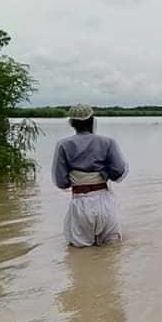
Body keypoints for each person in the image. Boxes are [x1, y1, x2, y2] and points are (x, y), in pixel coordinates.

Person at [52, 104, 128, 247]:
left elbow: (61, 182)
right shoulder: (107, 142)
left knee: (80, 254)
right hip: (105, 203)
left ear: (71, 123)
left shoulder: (63, 145)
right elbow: (119, 171)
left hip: (80, 203)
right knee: (112, 252)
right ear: (92, 120)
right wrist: (104, 172)